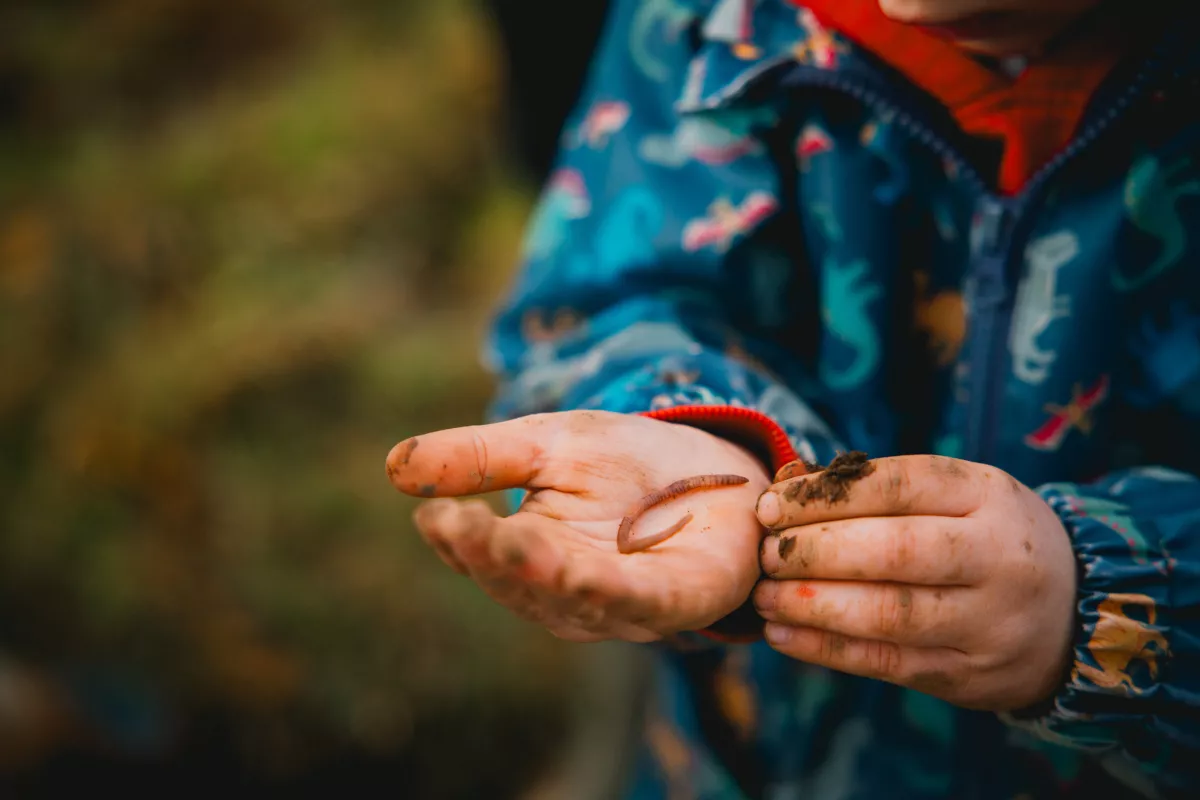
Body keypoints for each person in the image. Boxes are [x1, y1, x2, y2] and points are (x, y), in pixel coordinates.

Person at [386, 0, 1200, 797]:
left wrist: (1111, 607)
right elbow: (600, 301)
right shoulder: (700, 23)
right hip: (748, 751)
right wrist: (695, 421)